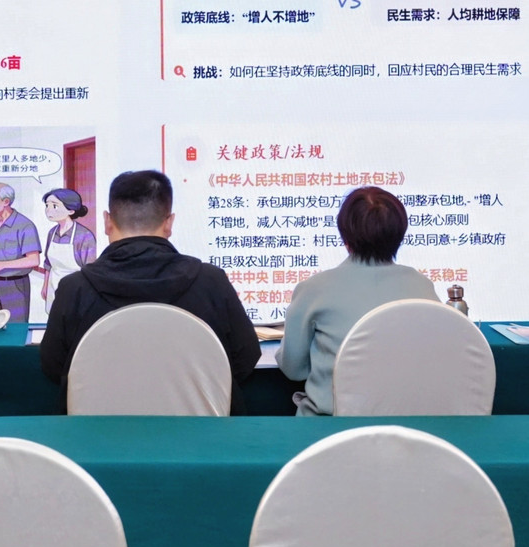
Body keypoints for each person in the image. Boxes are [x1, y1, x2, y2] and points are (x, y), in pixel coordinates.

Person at [41, 170, 259, 410]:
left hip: (96, 430)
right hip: (200, 431)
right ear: (169, 223)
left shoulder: (74, 288)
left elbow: (54, 367)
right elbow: (245, 359)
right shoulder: (210, 282)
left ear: (107, 222)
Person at [277, 186, 438, 415]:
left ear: (345, 235)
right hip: (409, 426)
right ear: (400, 234)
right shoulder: (422, 286)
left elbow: (294, 370)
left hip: (330, 427)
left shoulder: (313, 289)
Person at [0, 182, 41, 322]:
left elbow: (34, 260)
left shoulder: (25, 225)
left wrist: (2, 265)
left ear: (6, 201)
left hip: (15, 285)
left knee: (15, 328)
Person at [39, 187, 97, 309]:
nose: (48, 210)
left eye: (54, 206)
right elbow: (48, 263)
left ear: (71, 210)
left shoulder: (84, 235)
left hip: (76, 288)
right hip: (53, 286)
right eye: (47, 205)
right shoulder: (52, 233)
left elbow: (90, 269)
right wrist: (45, 285)